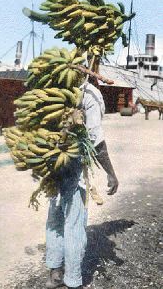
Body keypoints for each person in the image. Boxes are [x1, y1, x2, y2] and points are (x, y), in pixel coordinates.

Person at [45, 80, 118, 289]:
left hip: (52, 162)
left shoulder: (54, 86)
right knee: (74, 224)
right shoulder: (90, 94)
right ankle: (73, 281)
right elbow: (97, 142)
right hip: (73, 166)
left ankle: (54, 274)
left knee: (55, 218)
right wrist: (111, 174)